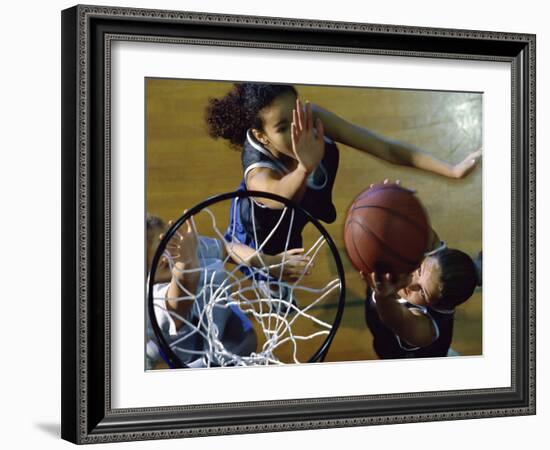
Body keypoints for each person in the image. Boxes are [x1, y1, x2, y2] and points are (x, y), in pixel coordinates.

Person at [205, 83, 482, 257]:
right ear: (262, 136)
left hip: (306, 204)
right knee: (275, 271)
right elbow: (279, 194)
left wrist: (451, 170)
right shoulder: (258, 176)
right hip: (265, 232)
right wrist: (304, 167)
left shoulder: (310, 119)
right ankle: (271, 287)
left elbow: (385, 148)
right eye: (281, 127)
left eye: (298, 113)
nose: (297, 129)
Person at [145, 215, 310, 369]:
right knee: (245, 345)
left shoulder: (181, 252)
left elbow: (227, 248)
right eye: (162, 263)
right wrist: (185, 263)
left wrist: (270, 262)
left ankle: (150, 351)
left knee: (246, 337)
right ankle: (150, 351)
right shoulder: (154, 302)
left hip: (218, 313)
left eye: (168, 245)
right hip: (198, 361)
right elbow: (183, 289)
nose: (170, 257)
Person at [363, 244, 480, 359]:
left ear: (437, 306)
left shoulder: (425, 330)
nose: (411, 284)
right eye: (419, 270)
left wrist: (383, 295)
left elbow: (398, 320)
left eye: (423, 293)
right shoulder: (432, 264)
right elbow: (425, 233)